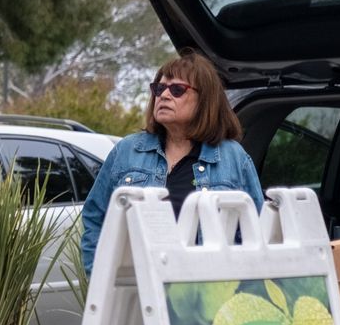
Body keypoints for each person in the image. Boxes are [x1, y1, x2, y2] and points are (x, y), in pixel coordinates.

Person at [80, 53, 263, 272]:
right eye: (159, 88)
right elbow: (95, 217)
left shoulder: (233, 157)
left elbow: (256, 232)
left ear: (205, 100)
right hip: (139, 292)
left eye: (177, 90)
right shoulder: (127, 150)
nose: (164, 95)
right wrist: (99, 279)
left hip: (210, 292)